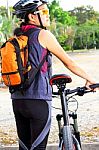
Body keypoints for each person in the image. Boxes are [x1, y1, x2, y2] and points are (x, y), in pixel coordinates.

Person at [12, 0, 96, 150]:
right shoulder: (43, 35)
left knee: (24, 147)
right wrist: (90, 79)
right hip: (38, 101)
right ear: (32, 16)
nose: (48, 15)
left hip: (17, 101)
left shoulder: (16, 37)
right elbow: (69, 62)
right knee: (38, 147)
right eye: (44, 12)